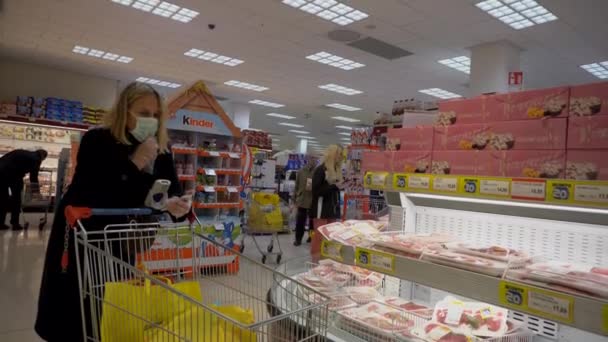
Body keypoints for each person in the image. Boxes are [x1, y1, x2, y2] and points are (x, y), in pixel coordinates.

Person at [35, 82, 191, 342]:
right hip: (85, 233)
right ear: (124, 110)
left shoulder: (161, 146)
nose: (150, 121)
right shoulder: (98, 140)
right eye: (143, 113)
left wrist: (178, 205)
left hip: (123, 237)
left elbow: (171, 188)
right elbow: (93, 191)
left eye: (156, 115)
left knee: (113, 298)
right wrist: (137, 161)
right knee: (76, 302)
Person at [0, 148, 48, 230]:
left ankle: (0, 223)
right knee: (16, 199)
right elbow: (33, 177)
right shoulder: (36, 159)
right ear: (43, 157)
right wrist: (36, 193)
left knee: (2, 199)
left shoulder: (25, 153)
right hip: (13, 175)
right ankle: (15, 223)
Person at [311, 145, 344, 221]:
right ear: (332, 155)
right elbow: (316, 191)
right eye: (339, 154)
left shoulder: (336, 170)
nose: (341, 157)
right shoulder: (321, 170)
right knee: (320, 232)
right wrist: (334, 186)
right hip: (321, 211)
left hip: (333, 211)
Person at [293, 156, 316, 246]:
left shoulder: (317, 172)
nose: (312, 162)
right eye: (311, 159)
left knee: (312, 223)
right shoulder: (301, 171)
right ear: (308, 160)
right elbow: (296, 185)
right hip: (302, 200)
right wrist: (295, 198)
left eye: (314, 160)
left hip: (313, 201)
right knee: (300, 222)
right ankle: (298, 239)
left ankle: (311, 237)